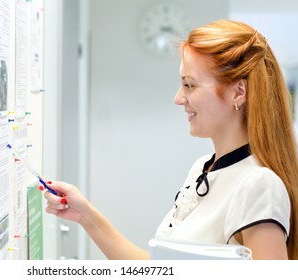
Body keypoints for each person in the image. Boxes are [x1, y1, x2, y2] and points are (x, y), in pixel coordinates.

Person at [40, 19, 298, 260]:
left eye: (190, 85)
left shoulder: (258, 185)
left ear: (238, 92)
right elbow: (160, 269)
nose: (178, 98)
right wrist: (86, 216)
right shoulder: (202, 168)